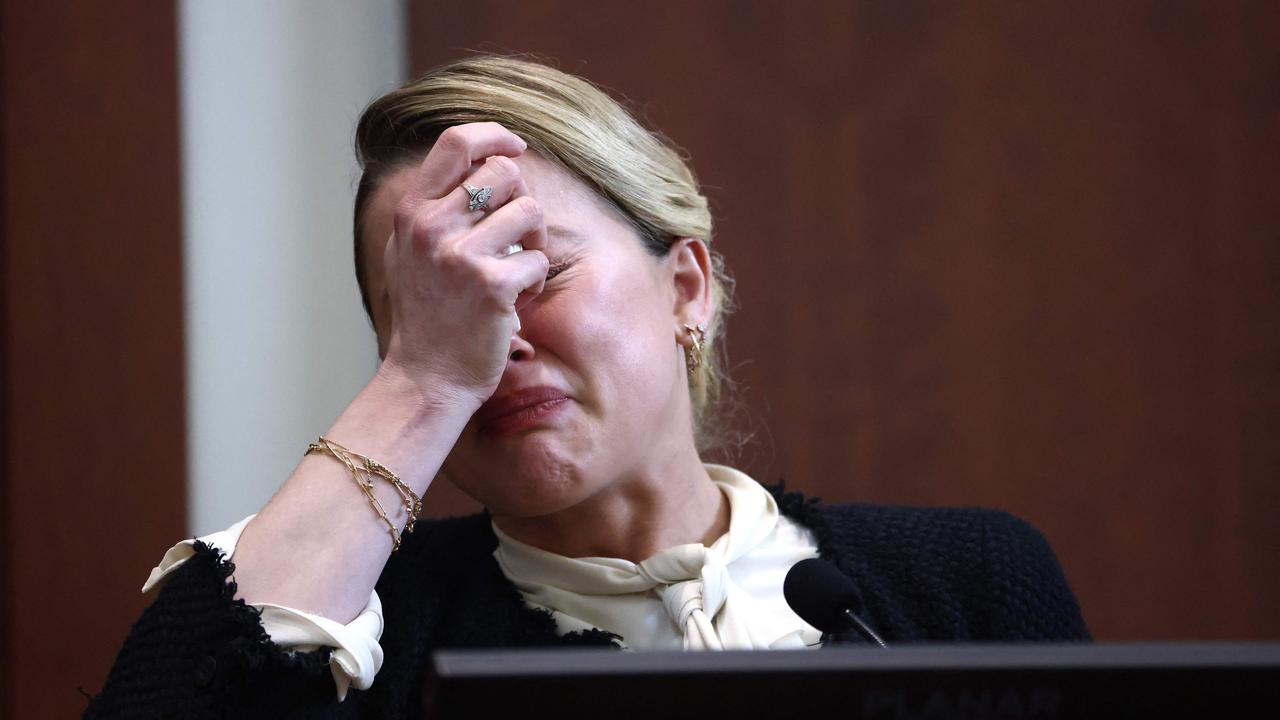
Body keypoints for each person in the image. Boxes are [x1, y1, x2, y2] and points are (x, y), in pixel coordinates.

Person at [85, 55, 1088, 718]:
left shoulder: (965, 585)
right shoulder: (355, 624)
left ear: (684, 286)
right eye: (436, 305)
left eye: (532, 267)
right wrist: (427, 380)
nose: (496, 337)